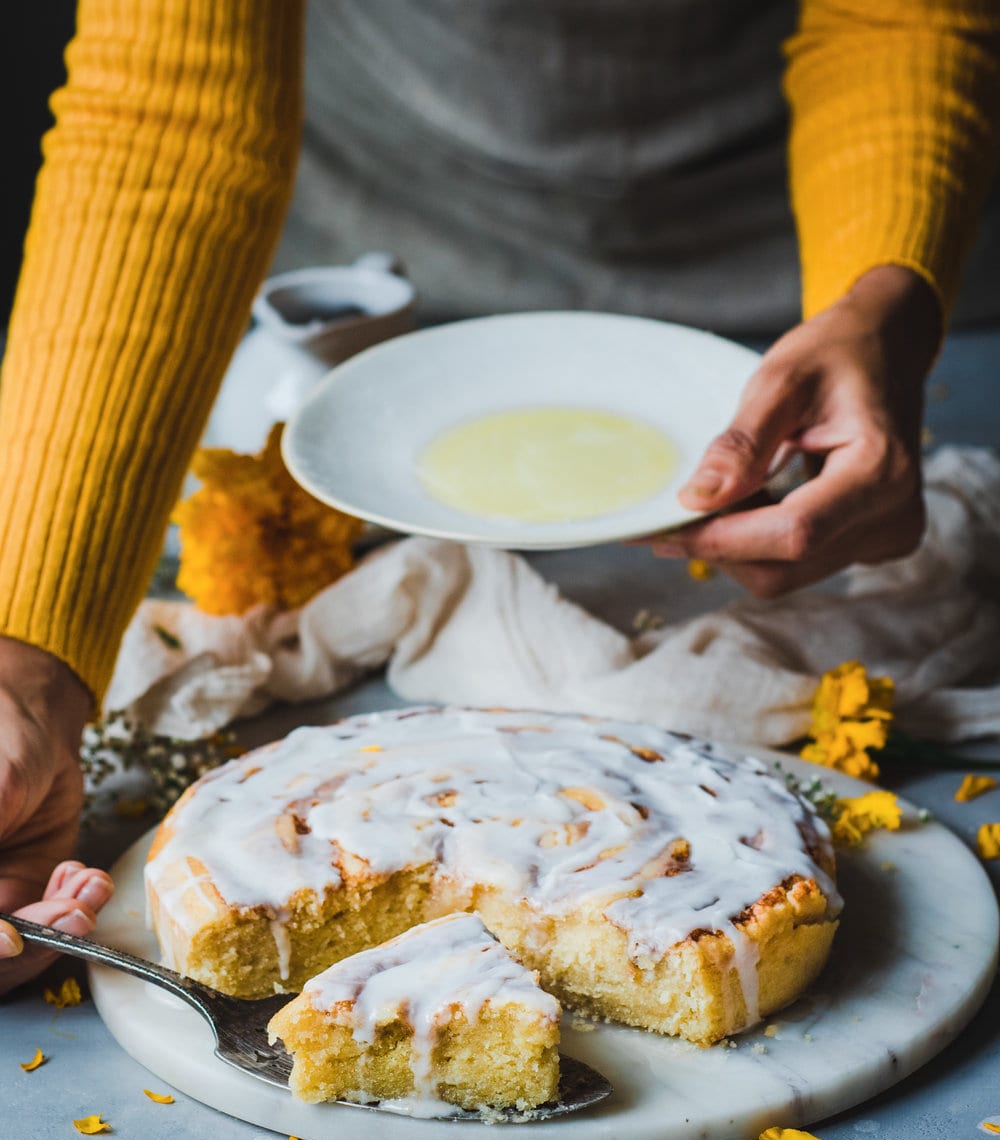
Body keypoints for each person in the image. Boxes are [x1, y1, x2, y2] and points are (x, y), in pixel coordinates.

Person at [1, 0, 998, 992]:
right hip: (372, 239)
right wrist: (27, 667)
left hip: (788, 280)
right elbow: (167, 109)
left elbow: (892, 19)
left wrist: (884, 304)